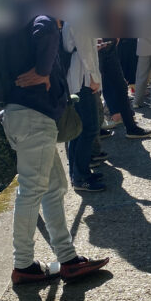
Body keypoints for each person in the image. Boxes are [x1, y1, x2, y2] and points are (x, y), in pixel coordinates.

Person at [4, 8, 109, 285]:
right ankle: (23, 264)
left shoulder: (21, 23)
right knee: (31, 190)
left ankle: (67, 259)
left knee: (55, 187)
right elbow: (45, 29)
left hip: (27, 117)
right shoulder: (43, 19)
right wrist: (43, 70)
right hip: (33, 119)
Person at [62, 21, 107, 192]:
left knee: (78, 131)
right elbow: (85, 52)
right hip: (82, 80)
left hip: (78, 79)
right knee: (89, 128)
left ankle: (79, 173)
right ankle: (80, 176)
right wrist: (95, 78)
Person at [99, 38, 151, 138]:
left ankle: (129, 126)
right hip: (101, 45)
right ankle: (130, 127)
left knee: (117, 86)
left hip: (104, 44)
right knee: (117, 87)